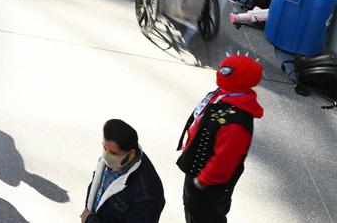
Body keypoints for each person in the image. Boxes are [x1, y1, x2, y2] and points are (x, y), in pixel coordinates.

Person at [177, 56, 264, 223]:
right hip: (197, 171)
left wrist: (202, 181)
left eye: (225, 71)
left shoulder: (237, 122)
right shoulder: (224, 94)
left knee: (204, 216)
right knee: (191, 210)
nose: (219, 73)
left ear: (239, 79)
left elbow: (225, 160)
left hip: (208, 184)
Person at [82, 119, 165, 223]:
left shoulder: (147, 195)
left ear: (131, 154)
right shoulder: (116, 160)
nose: (106, 156)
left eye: (113, 153)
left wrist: (90, 220)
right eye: (104, 148)